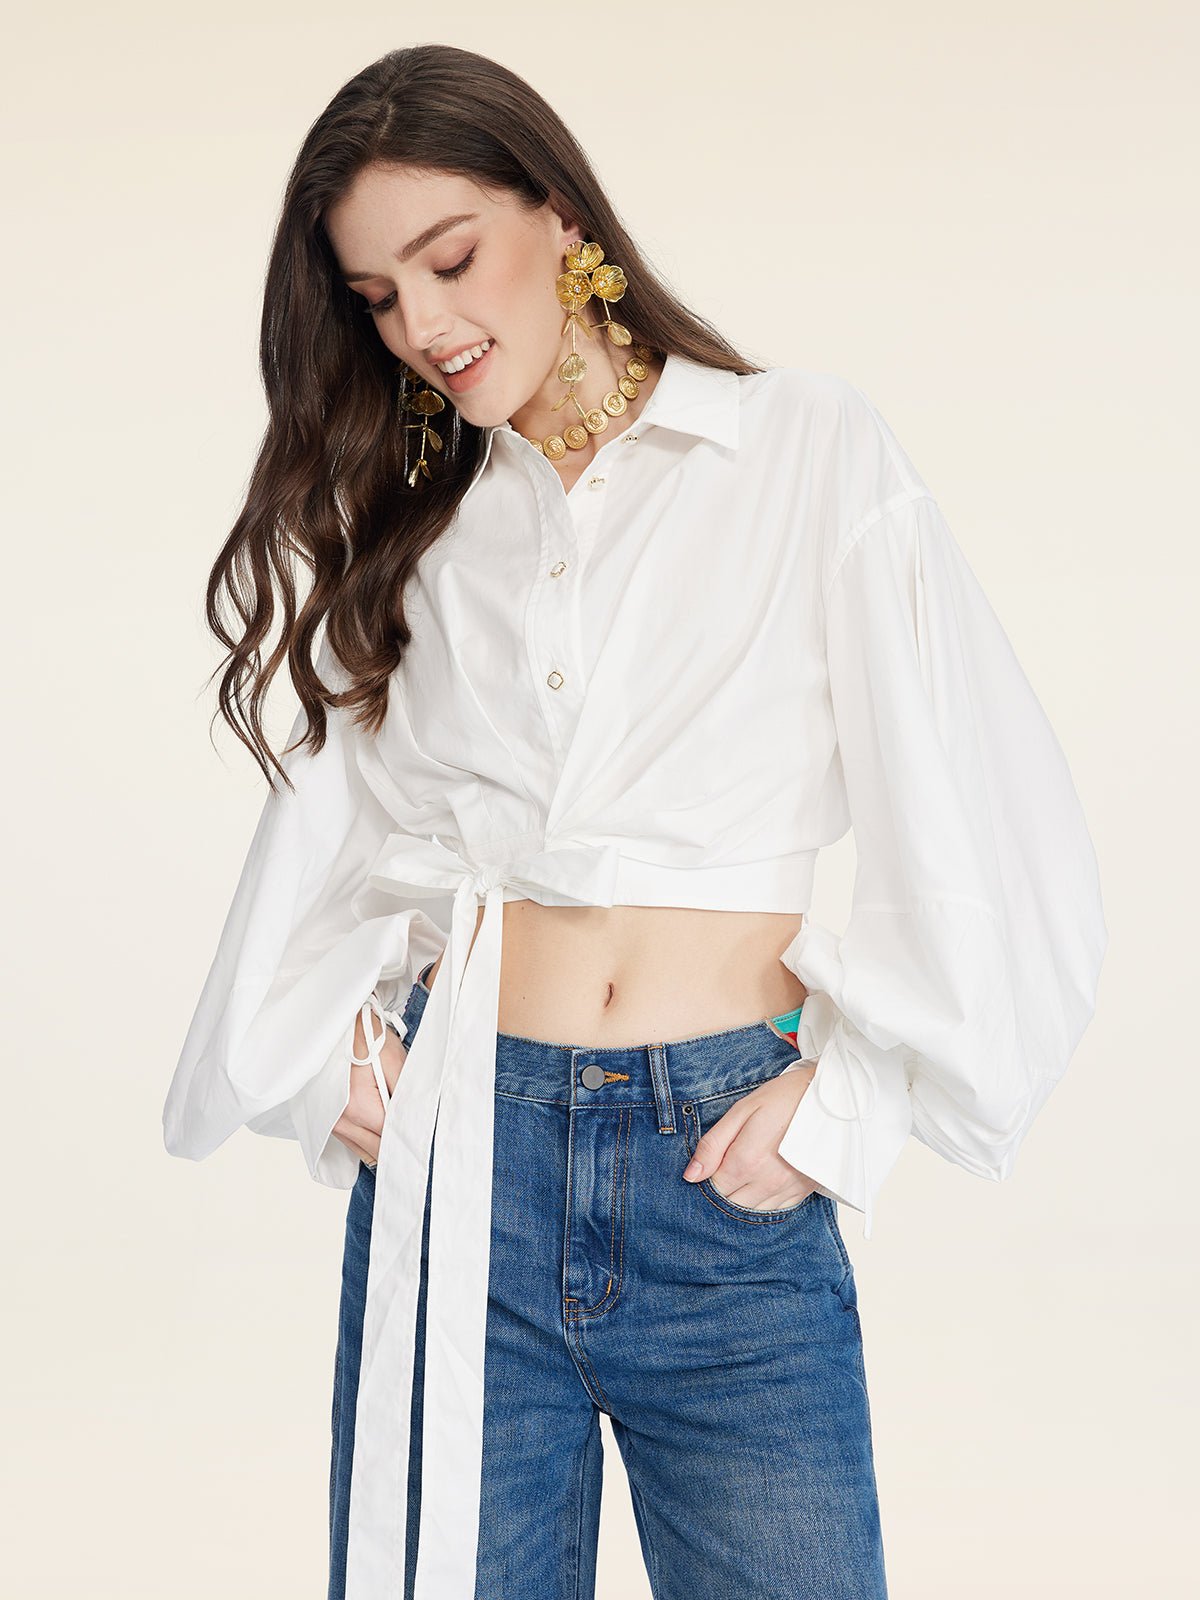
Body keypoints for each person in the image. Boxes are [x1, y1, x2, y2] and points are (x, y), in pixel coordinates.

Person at [161, 41, 1108, 1600]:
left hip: (715, 1174)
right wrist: (312, 1036)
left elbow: (982, 803)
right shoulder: (419, 528)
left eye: (450, 260)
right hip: (463, 1164)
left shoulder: (805, 449)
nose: (428, 327)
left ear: (559, 211)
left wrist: (848, 1107)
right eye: (379, 299)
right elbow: (342, 829)